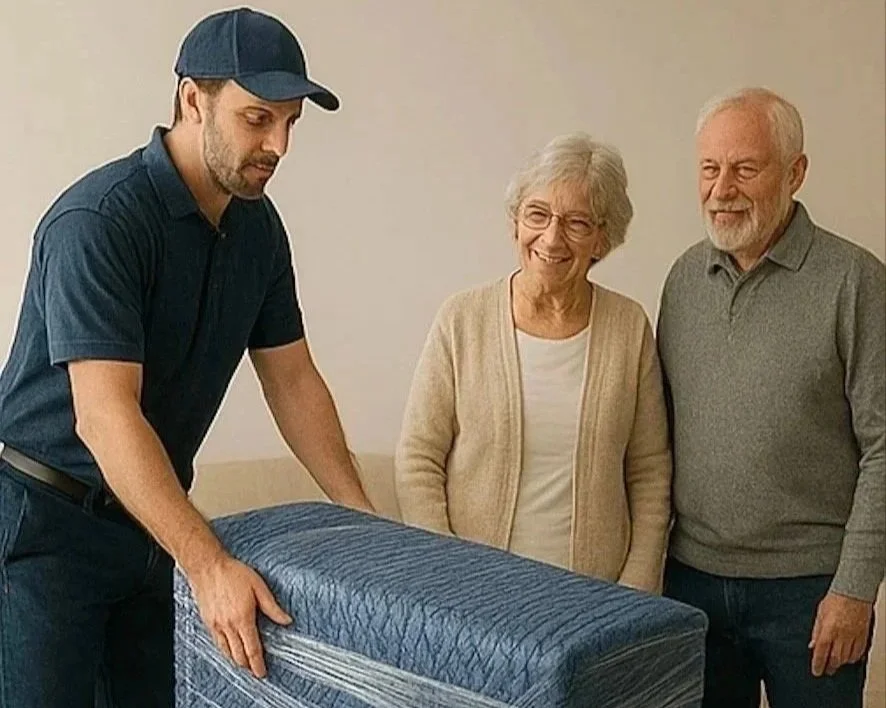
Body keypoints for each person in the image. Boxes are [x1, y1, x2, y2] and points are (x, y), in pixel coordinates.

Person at [0, 8, 374, 706]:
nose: (279, 145)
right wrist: (208, 567)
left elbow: (293, 381)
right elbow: (104, 417)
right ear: (193, 100)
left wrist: (363, 516)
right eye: (258, 119)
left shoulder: (259, 231)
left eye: (290, 122)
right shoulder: (99, 222)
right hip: (46, 531)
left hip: (153, 526)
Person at [657, 87, 885, 708]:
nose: (722, 188)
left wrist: (855, 588)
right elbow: (659, 437)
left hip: (810, 591)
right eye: (710, 168)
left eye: (745, 168)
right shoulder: (683, 280)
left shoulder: (856, 281)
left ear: (795, 172)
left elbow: (883, 447)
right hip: (692, 586)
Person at [395, 133, 671, 593]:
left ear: (602, 239)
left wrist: (634, 590)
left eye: (577, 222)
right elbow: (418, 458)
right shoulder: (462, 319)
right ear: (515, 223)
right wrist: (448, 573)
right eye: (537, 214)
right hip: (473, 592)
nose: (552, 237)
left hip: (595, 599)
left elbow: (649, 472)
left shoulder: (629, 328)